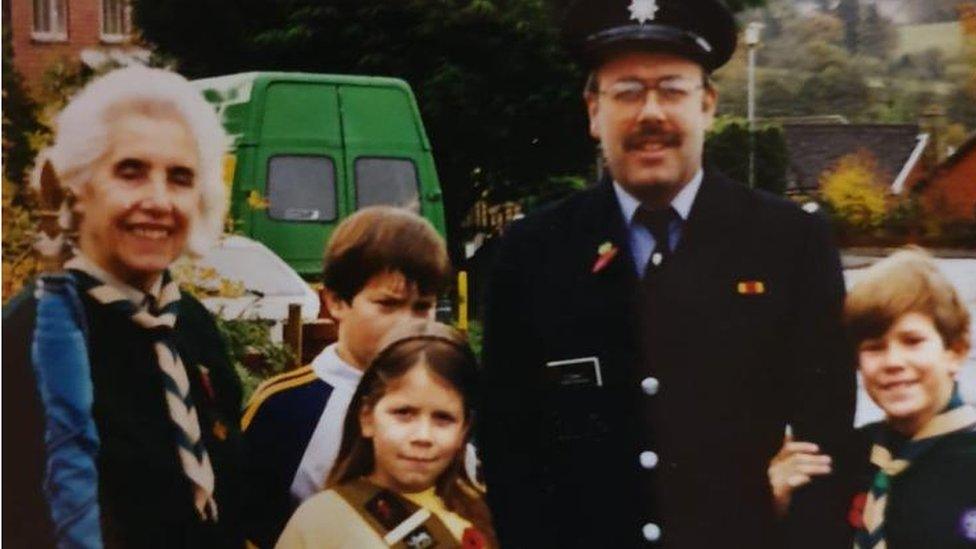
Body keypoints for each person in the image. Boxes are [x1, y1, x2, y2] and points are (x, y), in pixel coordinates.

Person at [480, 0, 856, 546]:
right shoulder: (532, 253)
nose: (650, 113)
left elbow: (827, 443)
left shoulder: (790, 245)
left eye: (672, 90)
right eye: (627, 91)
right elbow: (508, 449)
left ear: (706, 105)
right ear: (592, 110)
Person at [2, 66, 244, 547]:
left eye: (179, 178)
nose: (158, 201)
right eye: (130, 172)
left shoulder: (192, 327)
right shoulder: (27, 339)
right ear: (78, 185)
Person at [240, 206, 451, 547]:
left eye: (422, 307)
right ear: (336, 302)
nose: (408, 324)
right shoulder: (284, 407)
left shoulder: (453, 401)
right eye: (388, 305)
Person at [770, 248, 976, 548]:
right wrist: (775, 504)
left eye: (912, 341)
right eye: (875, 347)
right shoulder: (842, 460)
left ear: (955, 352)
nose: (893, 361)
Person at [276, 320, 497, 549]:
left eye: (443, 418)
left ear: (464, 429)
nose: (423, 436)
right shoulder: (321, 522)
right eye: (404, 413)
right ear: (367, 417)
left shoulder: (483, 511)